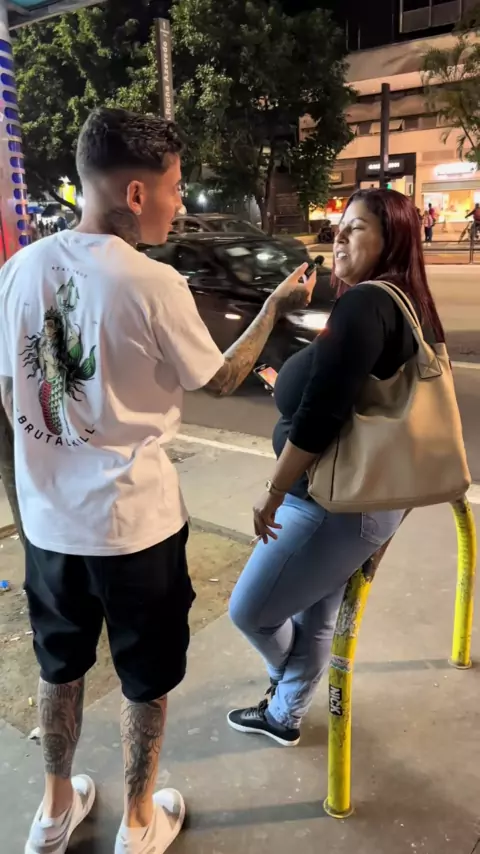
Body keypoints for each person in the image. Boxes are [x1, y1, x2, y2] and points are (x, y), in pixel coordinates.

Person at [0, 107, 315, 854]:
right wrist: (274, 307)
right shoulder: (154, 282)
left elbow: (10, 393)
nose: (177, 204)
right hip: (133, 529)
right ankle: (139, 823)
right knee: (145, 677)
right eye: (174, 188)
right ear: (136, 193)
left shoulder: (18, 271)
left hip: (49, 528)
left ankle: (53, 813)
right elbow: (223, 378)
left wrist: (43, 473)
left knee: (59, 665)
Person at [227, 188, 445, 747]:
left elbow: (321, 415)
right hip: (362, 504)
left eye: (357, 228)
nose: (339, 237)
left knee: (250, 611)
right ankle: (285, 714)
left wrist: (273, 490)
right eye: (339, 226)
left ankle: (286, 690)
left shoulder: (368, 305)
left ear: (391, 238)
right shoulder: (408, 304)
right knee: (315, 616)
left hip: (331, 502)